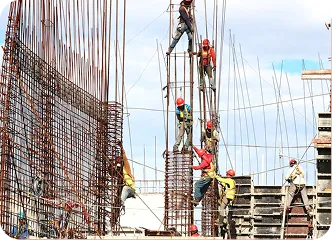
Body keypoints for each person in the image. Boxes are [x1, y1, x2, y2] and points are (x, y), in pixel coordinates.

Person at [120, 148, 136, 213]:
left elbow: (125, 161)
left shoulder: (126, 169)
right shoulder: (118, 173)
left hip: (130, 189)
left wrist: (123, 153)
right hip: (125, 192)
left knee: (125, 188)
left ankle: (121, 204)